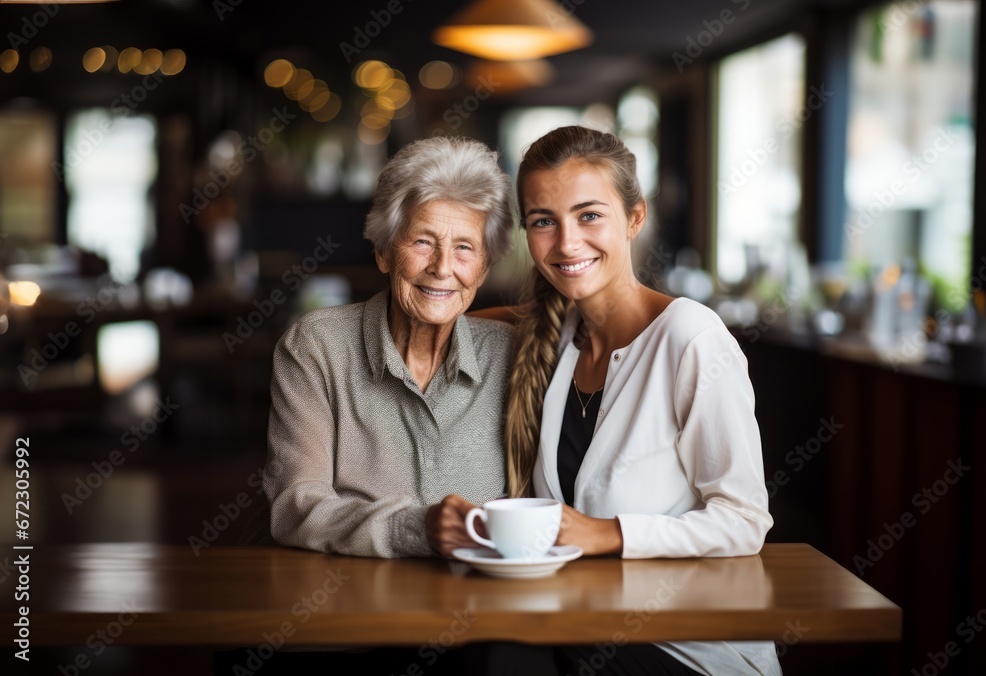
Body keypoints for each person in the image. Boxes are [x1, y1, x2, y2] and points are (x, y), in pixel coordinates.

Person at [503, 126, 781, 675]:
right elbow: (452, 316)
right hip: (581, 625)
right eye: (543, 221)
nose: (566, 243)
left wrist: (608, 533)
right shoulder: (554, 339)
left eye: (589, 215)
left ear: (634, 218)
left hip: (682, 645)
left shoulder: (691, 338)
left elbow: (744, 521)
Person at [263, 136, 515, 561]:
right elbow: (294, 507)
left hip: (483, 607)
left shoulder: (511, 356)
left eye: (464, 248)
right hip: (352, 606)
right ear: (382, 252)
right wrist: (416, 528)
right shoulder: (317, 348)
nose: (442, 268)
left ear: (485, 268)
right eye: (422, 242)